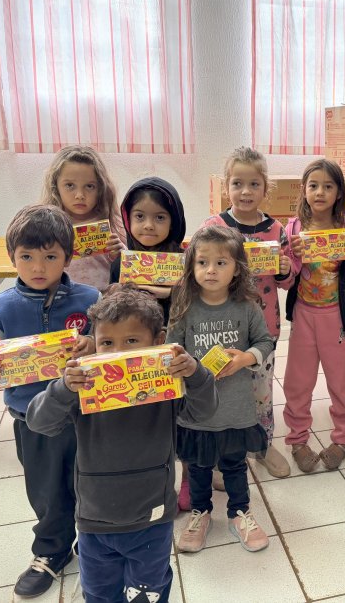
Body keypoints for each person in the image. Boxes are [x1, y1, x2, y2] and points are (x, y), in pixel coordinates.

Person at [26, 285, 217, 603]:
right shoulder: (84, 386)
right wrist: (63, 388)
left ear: (158, 341)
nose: (117, 352)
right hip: (94, 520)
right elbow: (39, 422)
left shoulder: (166, 385)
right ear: (94, 344)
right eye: (107, 343)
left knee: (148, 592)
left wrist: (195, 374)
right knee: (99, 593)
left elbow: (203, 413)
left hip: (152, 518)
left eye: (131, 341)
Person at [0, 205, 99, 598]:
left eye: (50, 256)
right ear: (12, 257)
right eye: (27, 256)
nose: (38, 267)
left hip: (83, 416)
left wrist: (94, 343)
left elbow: (110, 345)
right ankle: (51, 550)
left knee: (91, 483)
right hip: (30, 418)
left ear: (68, 257)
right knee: (46, 491)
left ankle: (94, 545)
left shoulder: (90, 298)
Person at [168, 226, 276, 553]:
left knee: (234, 465)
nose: (211, 270)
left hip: (235, 408)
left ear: (237, 269)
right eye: (202, 262)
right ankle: (200, 513)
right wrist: (183, 364)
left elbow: (265, 342)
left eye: (221, 262)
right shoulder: (184, 307)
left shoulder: (247, 307)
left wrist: (245, 358)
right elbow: (171, 349)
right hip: (196, 412)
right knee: (199, 468)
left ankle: (239, 513)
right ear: (191, 267)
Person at [200, 147, 295, 479]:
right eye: (237, 183)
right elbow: (199, 273)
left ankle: (261, 445)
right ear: (226, 185)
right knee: (221, 390)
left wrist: (284, 269)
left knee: (261, 392)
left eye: (254, 184)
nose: (245, 191)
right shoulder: (214, 227)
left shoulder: (276, 229)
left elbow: (286, 282)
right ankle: (219, 451)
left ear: (265, 188)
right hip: (221, 327)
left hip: (263, 329)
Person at [282, 159, 345, 473]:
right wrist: (293, 259)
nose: (320, 192)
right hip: (303, 313)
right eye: (313, 186)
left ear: (339, 192)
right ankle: (297, 439)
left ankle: (342, 439)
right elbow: (286, 278)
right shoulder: (294, 227)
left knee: (341, 382)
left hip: (337, 317)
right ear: (303, 189)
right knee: (297, 381)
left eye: (328, 186)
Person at [40, 145, 125, 289]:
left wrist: (120, 253)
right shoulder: (45, 226)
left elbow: (132, 269)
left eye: (89, 186)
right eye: (70, 185)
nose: (80, 195)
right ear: (55, 186)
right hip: (62, 297)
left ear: (101, 188)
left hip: (105, 298)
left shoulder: (113, 224)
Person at [110, 176, 187, 321]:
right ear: (128, 219)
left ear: (173, 223)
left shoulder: (187, 263)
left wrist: (171, 293)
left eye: (160, 217)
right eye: (139, 216)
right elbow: (113, 314)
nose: (148, 225)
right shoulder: (120, 265)